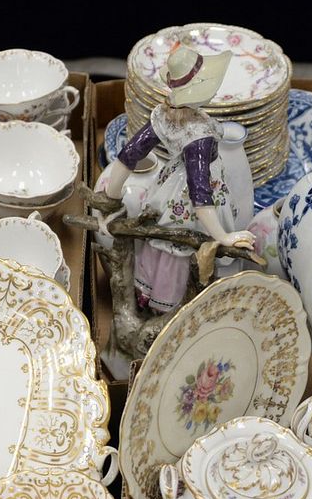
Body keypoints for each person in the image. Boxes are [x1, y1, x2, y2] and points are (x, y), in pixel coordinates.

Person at [104, 45, 255, 314]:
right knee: (179, 251)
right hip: (189, 205)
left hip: (169, 187)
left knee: (163, 248)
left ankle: (152, 296)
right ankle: (173, 310)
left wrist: (112, 194)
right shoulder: (199, 135)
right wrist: (223, 236)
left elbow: (129, 153)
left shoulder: (165, 115)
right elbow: (200, 194)